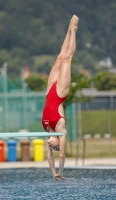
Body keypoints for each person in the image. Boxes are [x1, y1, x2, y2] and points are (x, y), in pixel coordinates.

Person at [42, 15, 79, 180]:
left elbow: (49, 157)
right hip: (60, 93)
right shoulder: (61, 130)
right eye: (55, 147)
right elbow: (61, 156)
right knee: (67, 59)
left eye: (53, 147)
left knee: (59, 56)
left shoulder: (45, 131)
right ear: (58, 142)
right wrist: (60, 173)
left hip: (49, 90)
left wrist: (52, 174)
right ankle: (73, 30)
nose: (53, 147)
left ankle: (68, 28)